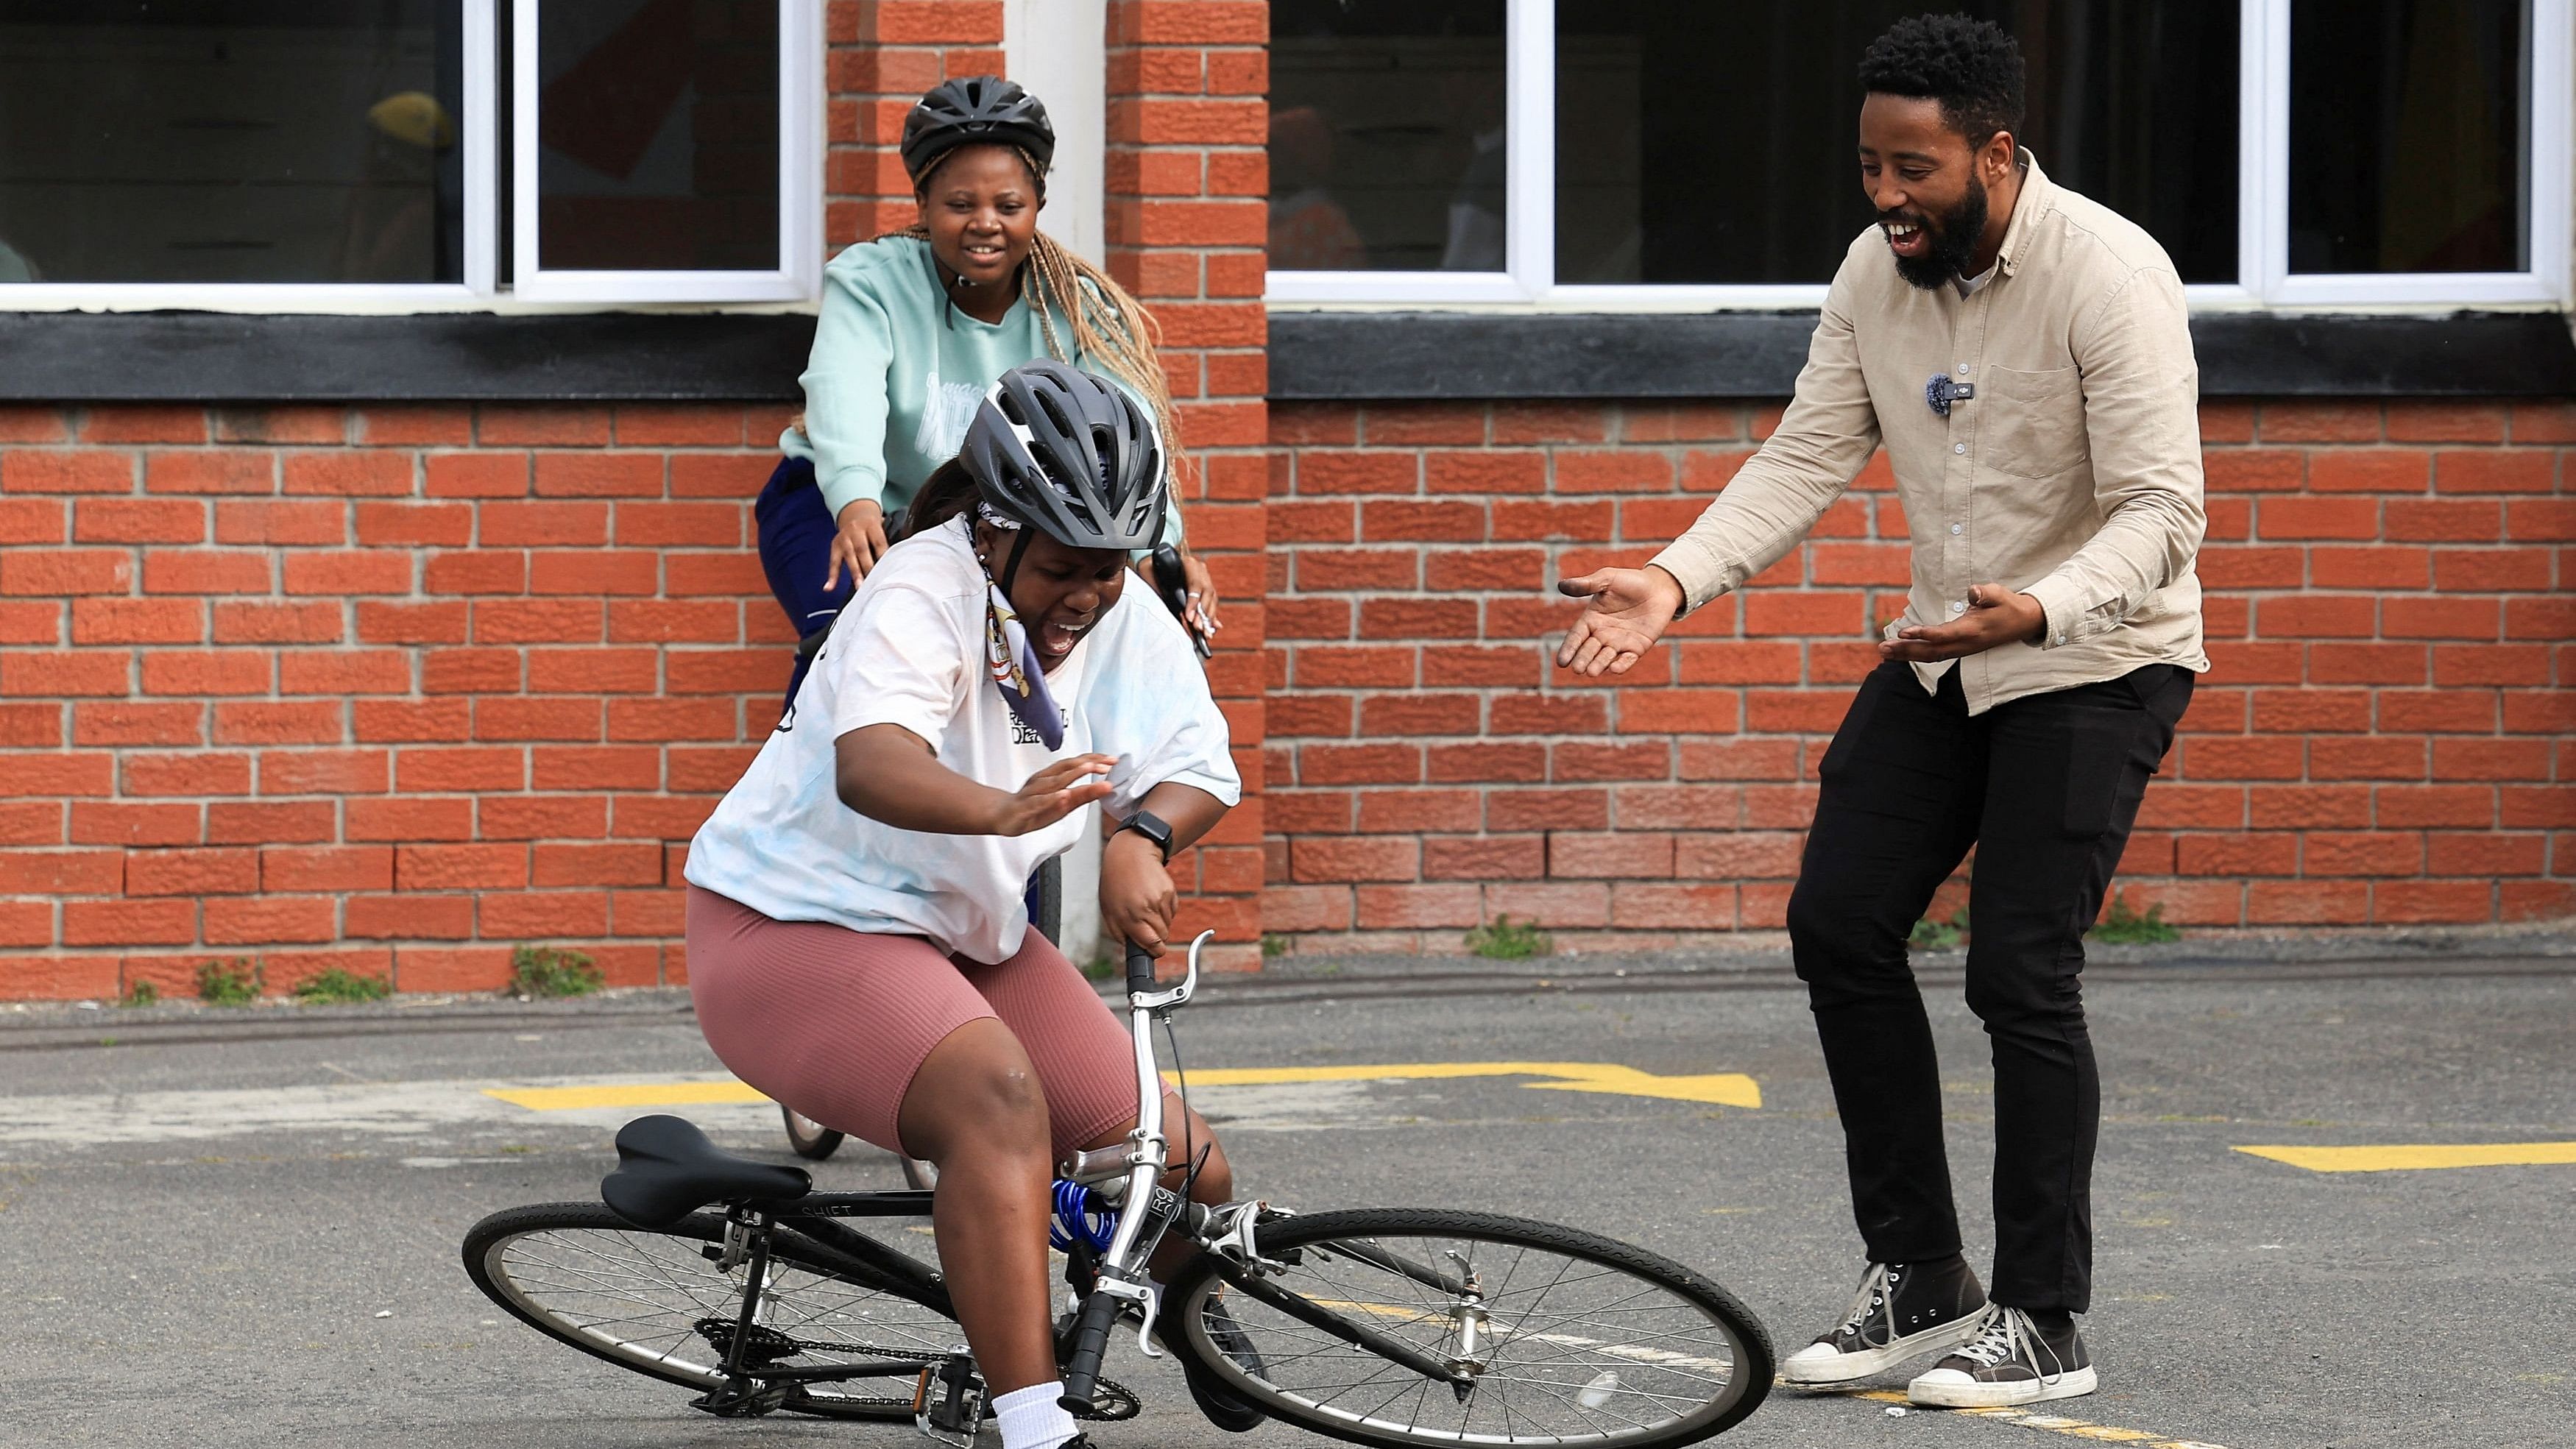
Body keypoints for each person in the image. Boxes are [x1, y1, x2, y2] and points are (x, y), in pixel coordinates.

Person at [1555, 14, 2204, 1412]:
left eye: (1915, 169)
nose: (1887, 197)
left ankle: (2043, 1315)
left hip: (2098, 654)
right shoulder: (1872, 273)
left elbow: (2166, 511)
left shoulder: (2110, 273)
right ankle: (1920, 1274)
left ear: (1996, 150)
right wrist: (1675, 578)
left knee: (2019, 969)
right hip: (1943, 653)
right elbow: (1806, 453)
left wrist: (2036, 608)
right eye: (1869, 167)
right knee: (1839, 923)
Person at [687, 363, 1254, 1449]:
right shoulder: (920, 587)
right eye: (1060, 569)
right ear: (993, 530)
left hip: (959, 932)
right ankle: (1034, 1426)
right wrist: (1003, 812)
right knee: (996, 1103)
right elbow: (873, 764)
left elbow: (1196, 761)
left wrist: (1143, 837)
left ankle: (1193, 1319)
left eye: (1109, 568)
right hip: (788, 929)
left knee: (1182, 1163)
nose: (1085, 596)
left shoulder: (1114, 603)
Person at [757, 75, 1220, 705]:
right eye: (959, 204)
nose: (985, 224)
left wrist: (1156, 550)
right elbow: (846, 391)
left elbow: (1126, 435)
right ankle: (810, 791)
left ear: (1037, 205)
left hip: (992, 524)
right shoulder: (872, 280)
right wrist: (856, 499)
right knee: (846, 644)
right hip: (843, 505)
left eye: (1008, 205)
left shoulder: (1077, 309)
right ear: (923, 204)